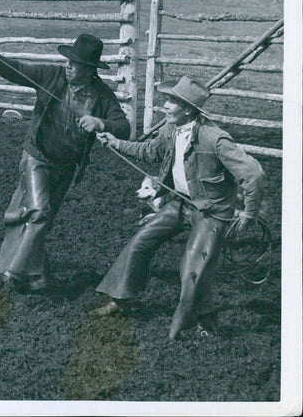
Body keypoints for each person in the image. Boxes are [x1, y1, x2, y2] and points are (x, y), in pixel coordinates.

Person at [93, 75, 265, 339]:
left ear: (187, 108)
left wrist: (249, 214)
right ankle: (120, 299)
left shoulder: (215, 139)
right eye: (166, 99)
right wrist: (115, 143)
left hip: (212, 212)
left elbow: (253, 174)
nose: (165, 105)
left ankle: (201, 322)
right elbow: (150, 151)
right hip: (182, 203)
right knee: (140, 241)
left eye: (171, 101)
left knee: (192, 267)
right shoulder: (171, 129)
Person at [0, 33, 130, 293]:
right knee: (38, 210)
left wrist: (101, 123)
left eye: (75, 63)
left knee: (38, 219)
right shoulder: (52, 77)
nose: (68, 66)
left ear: (90, 70)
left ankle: (33, 274)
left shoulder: (102, 96)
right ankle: (15, 275)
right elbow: (19, 71)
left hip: (67, 167)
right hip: (37, 156)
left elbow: (124, 127)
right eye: (68, 62)